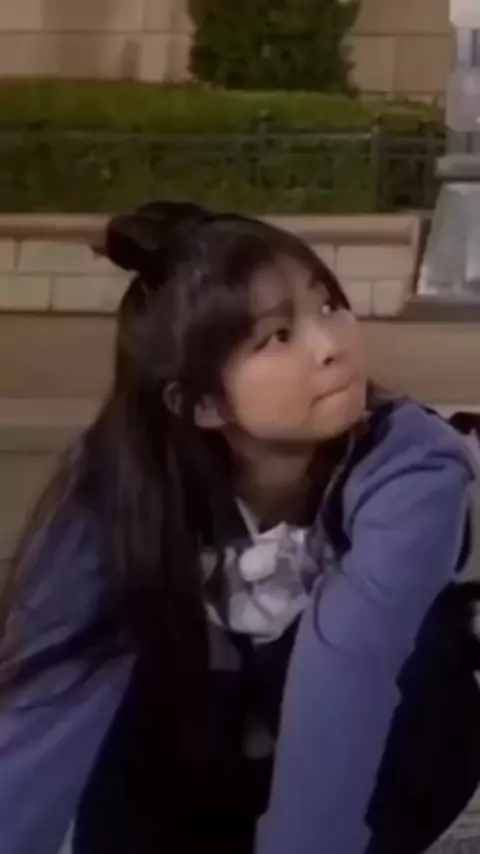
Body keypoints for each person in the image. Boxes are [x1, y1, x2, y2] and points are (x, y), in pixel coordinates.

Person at [0, 201, 479, 854]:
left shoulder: (409, 465)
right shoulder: (120, 479)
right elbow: (46, 696)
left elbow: (347, 681)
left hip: (379, 759)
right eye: (278, 336)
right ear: (200, 403)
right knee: (124, 678)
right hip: (195, 765)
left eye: (328, 305)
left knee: (419, 664)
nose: (331, 345)